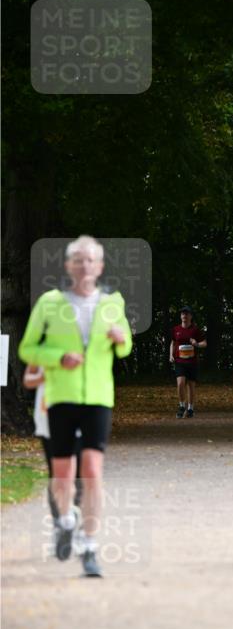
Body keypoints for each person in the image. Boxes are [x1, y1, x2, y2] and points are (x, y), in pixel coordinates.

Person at [19, 234, 133, 577]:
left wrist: (120, 339)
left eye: (91, 260)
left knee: (93, 471)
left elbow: (125, 347)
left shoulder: (113, 303)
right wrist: (56, 357)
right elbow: (27, 349)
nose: (85, 265)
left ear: (100, 267)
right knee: (64, 473)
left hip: (98, 396)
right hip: (61, 396)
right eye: (78, 260)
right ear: (69, 266)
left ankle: (89, 544)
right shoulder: (49, 303)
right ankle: (65, 520)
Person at [22, 365, 83, 545]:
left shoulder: (81, 349)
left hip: (77, 416)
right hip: (47, 418)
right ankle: (59, 524)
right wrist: (47, 377)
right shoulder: (41, 353)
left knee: (78, 474)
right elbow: (28, 381)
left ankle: (72, 519)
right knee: (56, 474)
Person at [170, 306, 207, 418]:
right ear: (180, 316)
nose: (184, 316)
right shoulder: (176, 329)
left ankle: (190, 408)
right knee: (180, 383)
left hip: (192, 362)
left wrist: (196, 344)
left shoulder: (195, 330)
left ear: (191, 316)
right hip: (179, 361)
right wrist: (170, 355)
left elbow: (204, 343)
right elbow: (172, 343)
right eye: (182, 314)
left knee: (191, 386)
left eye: (186, 314)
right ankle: (181, 406)